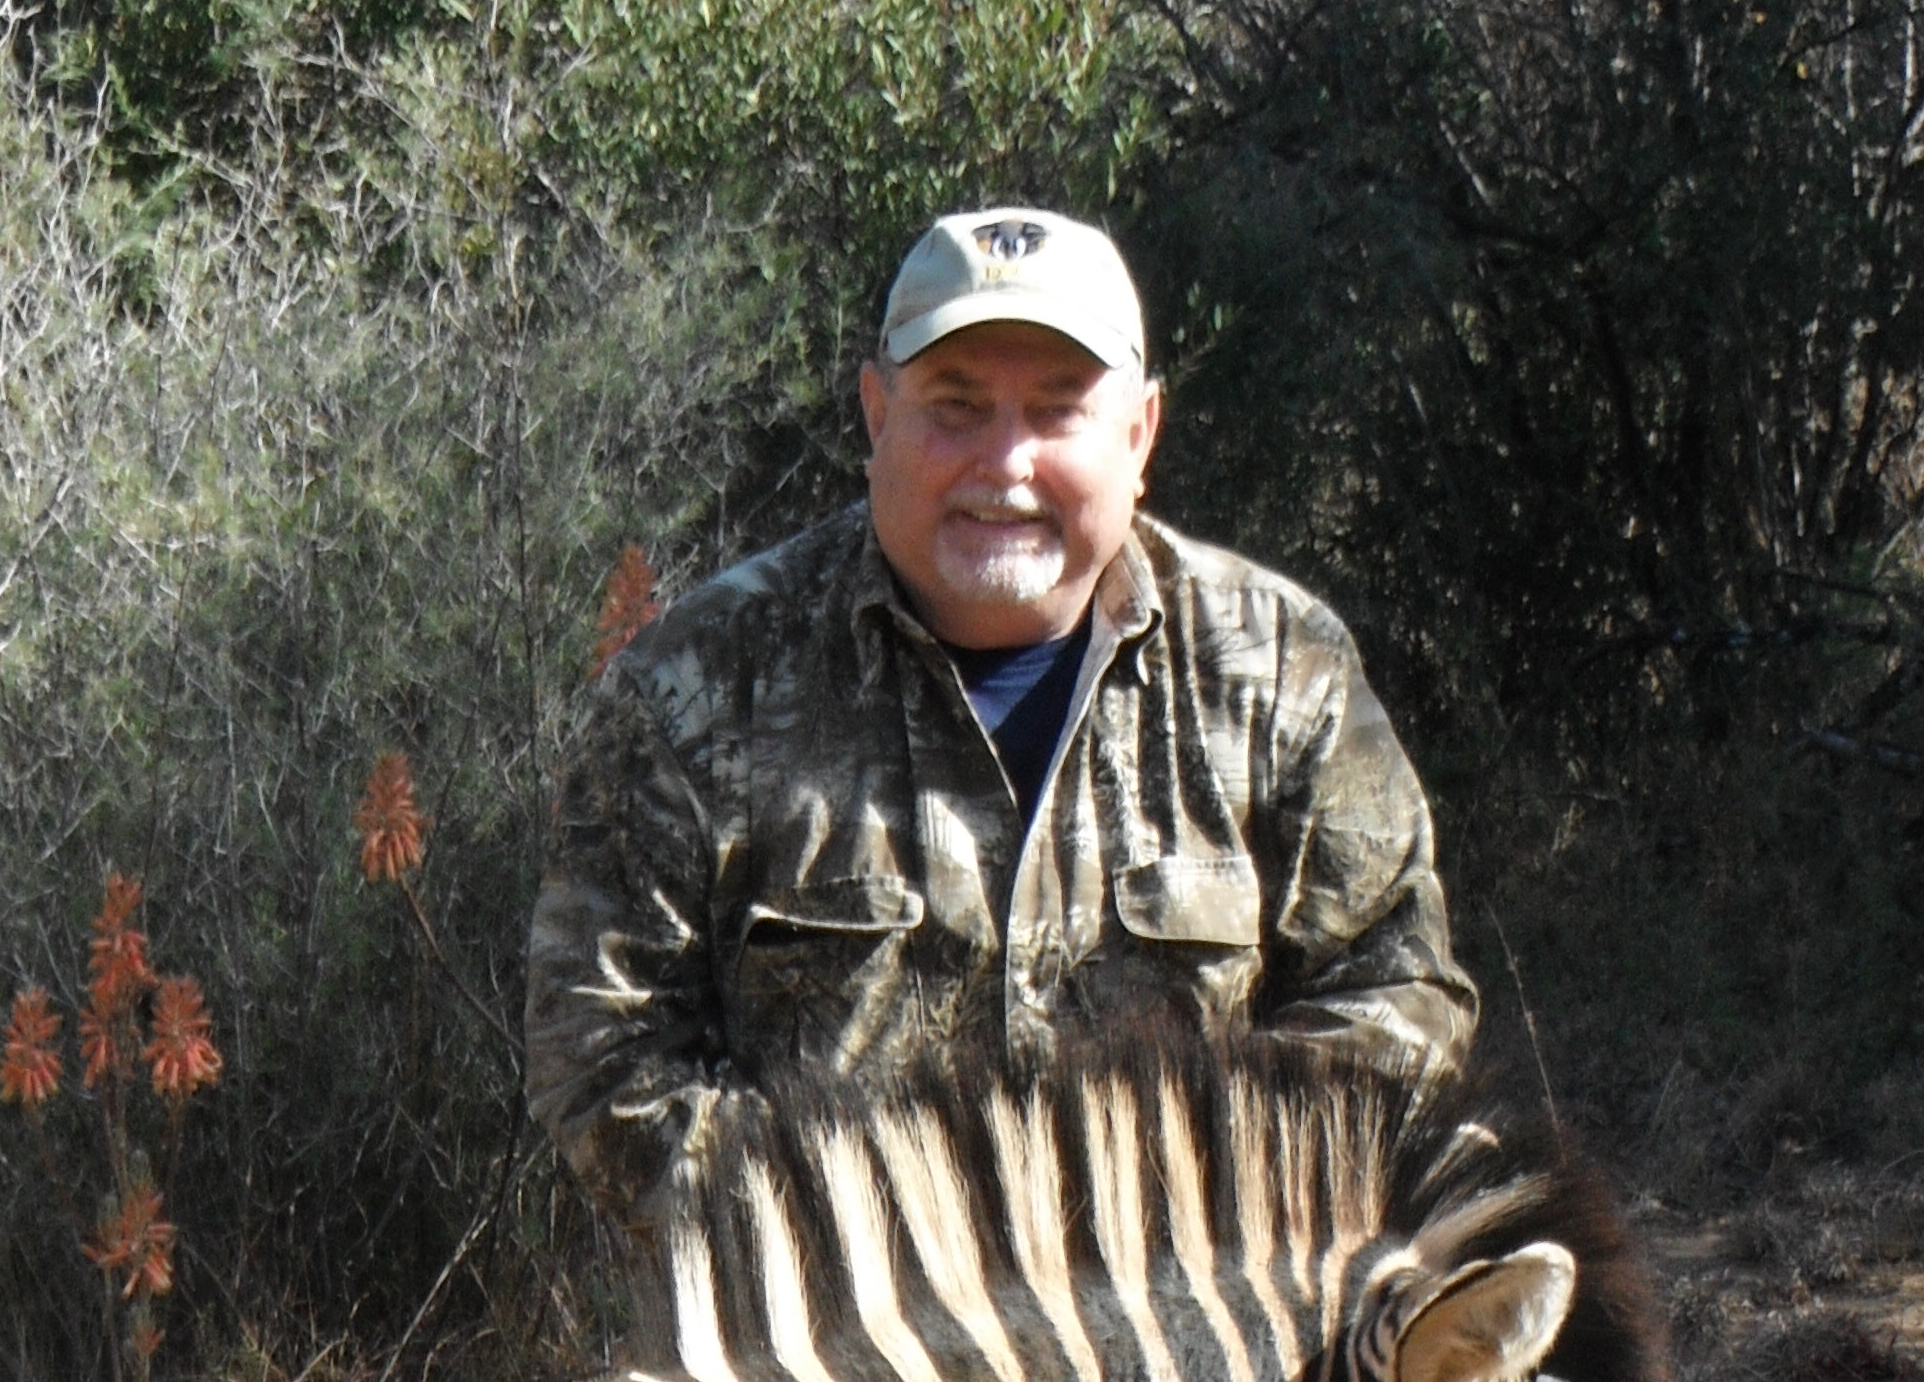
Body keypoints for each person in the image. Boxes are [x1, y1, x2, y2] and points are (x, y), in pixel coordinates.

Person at [525, 204, 1477, 1222]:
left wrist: (1189, 1212)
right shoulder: (694, 689)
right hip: (822, 1347)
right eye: (957, 405)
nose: (1006, 462)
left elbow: (1399, 997)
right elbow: (603, 1056)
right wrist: (883, 1251)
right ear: (876, 414)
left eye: (1058, 411)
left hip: (1197, 1327)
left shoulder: (1284, 669)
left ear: (1139, 433)